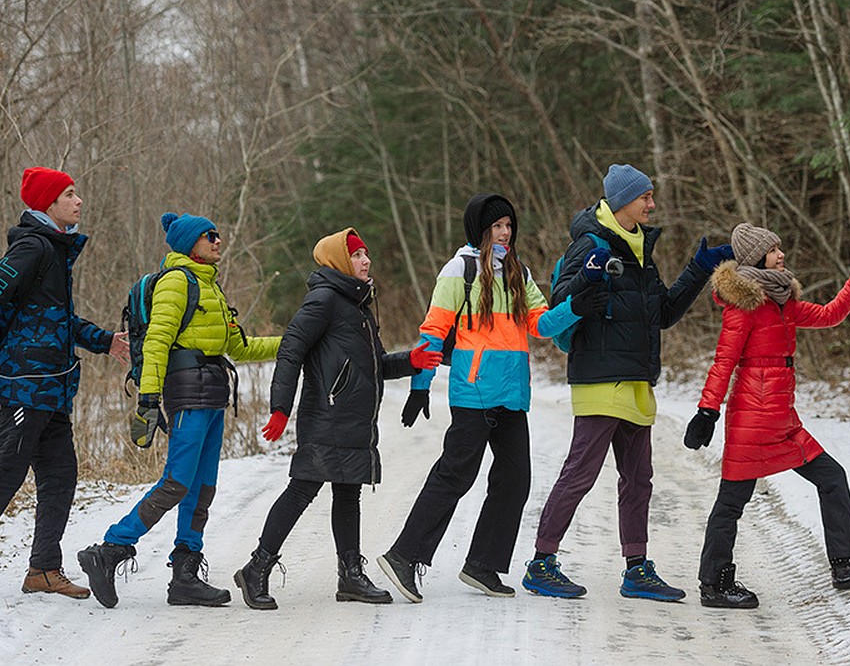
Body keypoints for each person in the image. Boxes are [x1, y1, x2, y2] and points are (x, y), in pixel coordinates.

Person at [377, 192, 601, 604]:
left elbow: (541, 325)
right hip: (474, 392)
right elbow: (432, 332)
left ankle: (483, 564)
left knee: (515, 480)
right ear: (480, 231)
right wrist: (419, 387)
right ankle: (404, 555)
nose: (505, 233)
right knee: (456, 475)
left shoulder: (519, 271)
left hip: (512, 394)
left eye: (509, 226)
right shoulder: (458, 270)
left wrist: (576, 306)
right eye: (497, 226)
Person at [521, 164, 732, 602]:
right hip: (600, 379)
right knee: (580, 474)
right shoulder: (589, 246)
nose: (652, 204)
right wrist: (586, 283)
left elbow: (664, 314)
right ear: (622, 203)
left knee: (638, 480)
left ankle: (637, 569)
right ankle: (541, 563)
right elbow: (560, 308)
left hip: (637, 380)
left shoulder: (640, 253)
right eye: (645, 197)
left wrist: (699, 269)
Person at [0, 166, 129, 607]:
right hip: (26, 383)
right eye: (70, 195)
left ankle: (43, 570)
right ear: (48, 204)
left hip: (50, 386)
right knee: (6, 472)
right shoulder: (35, 247)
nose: (79, 202)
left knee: (60, 475)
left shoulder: (54, 250)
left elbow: (58, 321)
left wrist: (105, 341)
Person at [77, 212, 281, 609]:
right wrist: (148, 400)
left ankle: (184, 574)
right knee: (177, 482)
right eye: (210, 235)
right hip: (187, 393)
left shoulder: (211, 287)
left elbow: (238, 348)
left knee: (203, 487)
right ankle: (110, 549)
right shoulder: (177, 282)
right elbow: (156, 342)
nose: (218, 240)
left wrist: (292, 343)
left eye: (219, 234)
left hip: (213, 394)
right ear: (191, 243)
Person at [683, 223, 850, 609]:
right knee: (731, 501)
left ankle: (846, 564)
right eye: (774, 250)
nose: (782, 255)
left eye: (779, 249)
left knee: (832, 477)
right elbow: (724, 360)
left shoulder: (783, 301)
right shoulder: (743, 305)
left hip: (783, 419)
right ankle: (714, 584)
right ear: (757, 257)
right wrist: (707, 411)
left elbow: (830, 315)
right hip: (751, 417)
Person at [234, 228, 443, 610]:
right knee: (301, 490)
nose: (366, 261)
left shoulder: (359, 307)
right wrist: (281, 407)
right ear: (340, 263)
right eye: (358, 256)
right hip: (326, 416)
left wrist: (410, 362)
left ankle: (350, 575)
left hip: (354, 421)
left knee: (349, 493)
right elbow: (291, 349)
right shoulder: (324, 300)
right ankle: (256, 568)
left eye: (366, 254)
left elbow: (375, 365)